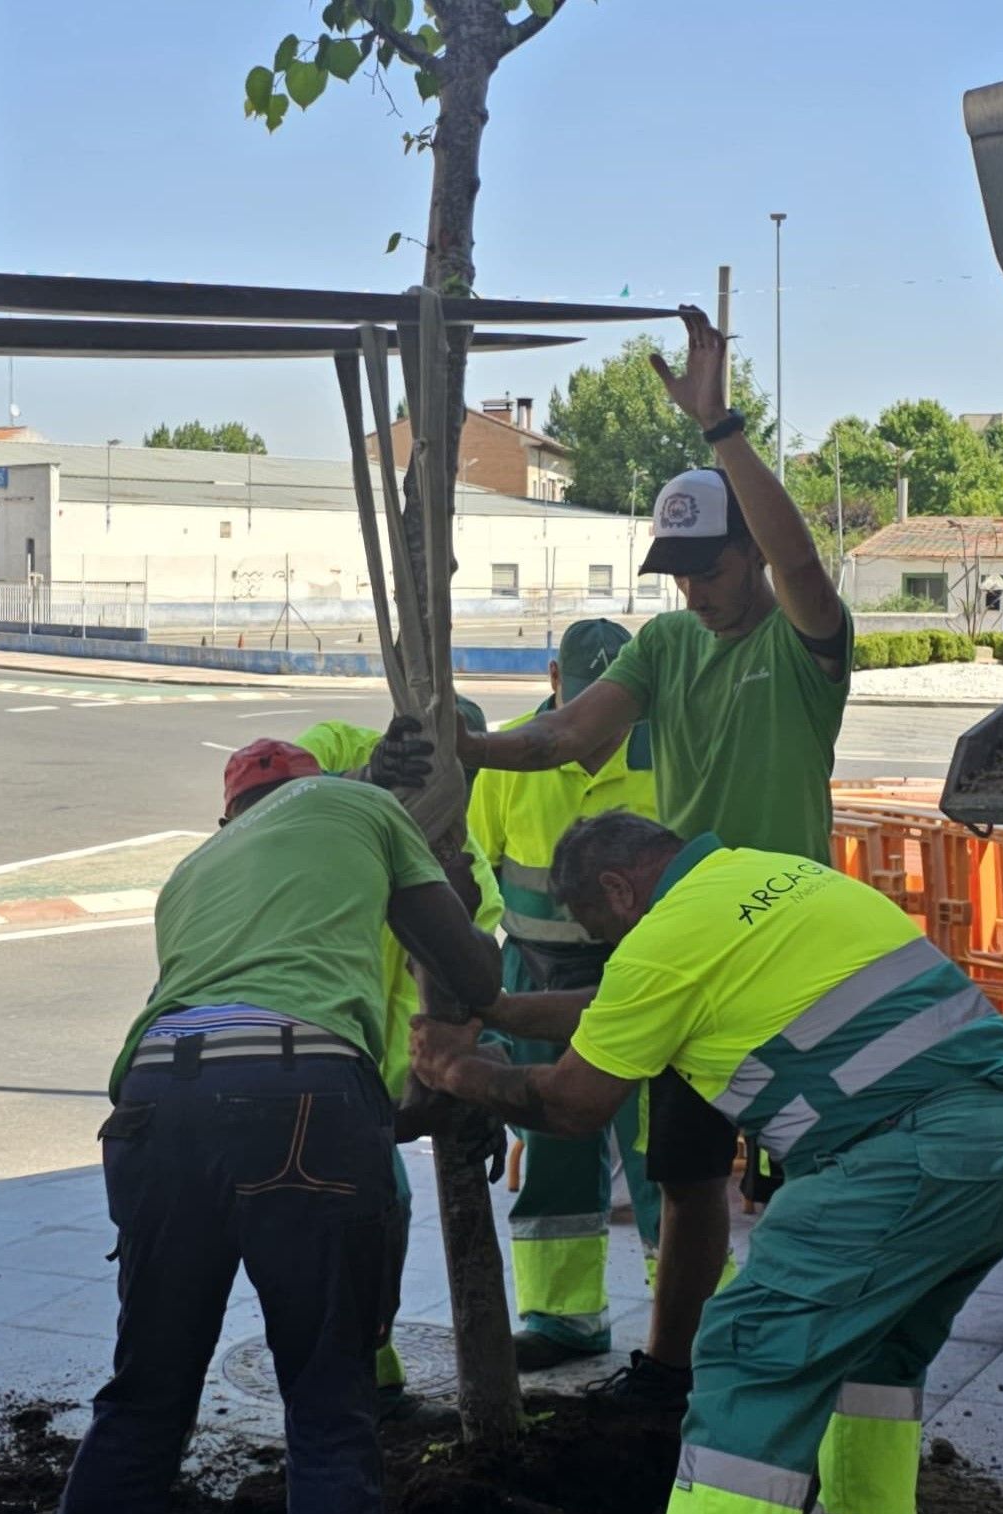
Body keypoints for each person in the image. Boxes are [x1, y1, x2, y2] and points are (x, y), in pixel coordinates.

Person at [411, 810, 1003, 1514]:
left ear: (617, 891)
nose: (614, 954)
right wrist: (511, 1012)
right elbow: (631, 1000)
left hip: (904, 1155)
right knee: (876, 1354)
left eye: (607, 937)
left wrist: (460, 1068)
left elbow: (570, 1100)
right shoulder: (765, 877)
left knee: (745, 1356)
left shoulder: (664, 940)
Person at [0, 740, 501, 1514]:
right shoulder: (361, 808)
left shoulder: (194, 871)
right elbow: (473, 970)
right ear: (318, 783)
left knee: (140, 1404)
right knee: (327, 1417)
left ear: (234, 814)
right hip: (307, 1099)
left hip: (153, 1103)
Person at [460, 305, 853, 1410]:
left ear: (746, 555)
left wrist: (721, 423)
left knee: (808, 1174)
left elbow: (799, 560)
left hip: (788, 942)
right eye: (672, 567)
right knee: (686, 1174)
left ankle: (806, 1358)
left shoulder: (801, 637)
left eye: (706, 563)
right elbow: (567, 734)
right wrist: (469, 744)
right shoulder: (667, 644)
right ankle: (668, 1368)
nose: (688, 585)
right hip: (686, 943)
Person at [296, 702, 504, 1418]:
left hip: (372, 1079)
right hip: (303, 1052)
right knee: (347, 1220)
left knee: (380, 1211)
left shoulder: (459, 857)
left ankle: (365, 1377)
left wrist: (472, 1083)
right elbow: (274, 803)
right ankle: (343, 1382)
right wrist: (364, 780)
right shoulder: (339, 750)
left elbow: (465, 992)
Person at [467, 619, 660, 1367]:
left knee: (658, 1157)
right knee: (551, 1147)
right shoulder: (509, 756)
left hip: (640, 976)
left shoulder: (668, 755)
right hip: (536, 975)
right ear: (554, 680)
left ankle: (687, 1327)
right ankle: (563, 1318)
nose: (594, 732)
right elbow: (474, 870)